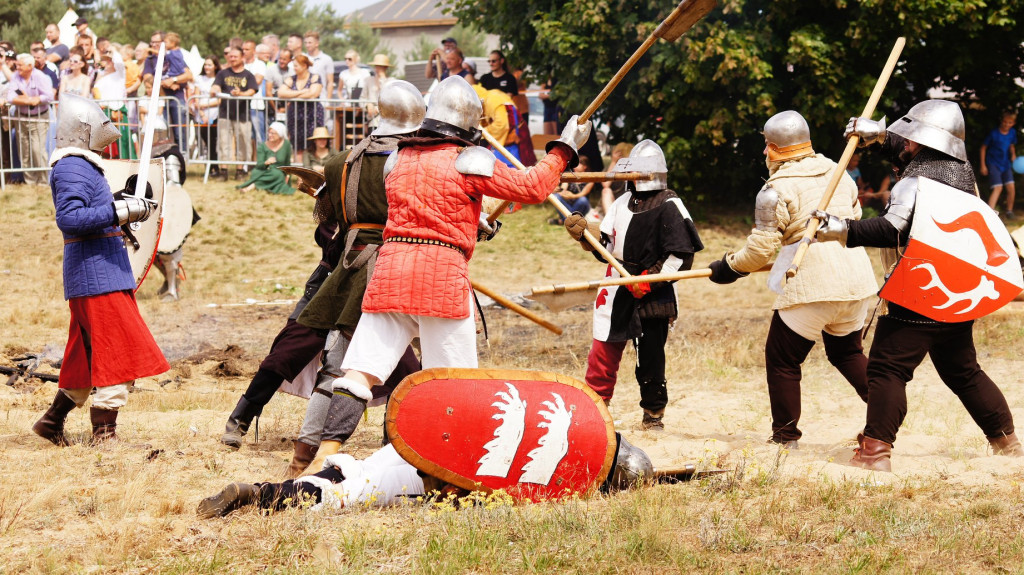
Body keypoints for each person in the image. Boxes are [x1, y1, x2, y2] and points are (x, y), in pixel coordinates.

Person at [303, 76, 590, 472]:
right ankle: (451, 464)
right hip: (440, 279)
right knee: (454, 383)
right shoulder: (468, 159)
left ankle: (326, 453)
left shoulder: (397, 158)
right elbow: (534, 186)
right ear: (468, 126)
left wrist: (472, 222)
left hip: (390, 273)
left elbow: (422, 208)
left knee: (358, 373)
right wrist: (565, 148)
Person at [814, 99, 1022, 471]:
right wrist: (877, 134)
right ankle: (1007, 443)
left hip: (920, 293)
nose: (904, 143)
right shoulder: (962, 175)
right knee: (964, 371)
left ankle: (875, 452)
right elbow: (908, 150)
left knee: (886, 369)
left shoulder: (917, 183)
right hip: (955, 297)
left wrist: (839, 228)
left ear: (923, 142)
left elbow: (890, 228)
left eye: (909, 138)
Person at [707, 110, 878, 447]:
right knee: (846, 353)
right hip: (856, 279)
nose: (764, 153)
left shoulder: (775, 189)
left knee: (783, 358)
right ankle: (888, 412)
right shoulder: (839, 173)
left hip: (813, 279)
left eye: (765, 146)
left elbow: (760, 251)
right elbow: (854, 220)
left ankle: (785, 438)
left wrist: (729, 267)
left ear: (774, 148)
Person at [286, 81, 427, 476]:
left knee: (345, 364)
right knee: (387, 371)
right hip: (394, 266)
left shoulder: (338, 162)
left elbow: (327, 224)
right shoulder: (412, 162)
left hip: (349, 265)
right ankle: (390, 453)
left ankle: (306, 454)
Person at [33, 93, 169, 445]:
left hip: (98, 273)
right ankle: (104, 434)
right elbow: (71, 219)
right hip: (96, 277)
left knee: (87, 355)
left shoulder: (80, 165)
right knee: (117, 351)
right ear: (83, 130)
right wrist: (119, 211)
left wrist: (122, 210)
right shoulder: (72, 166)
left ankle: (52, 421)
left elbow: (90, 214)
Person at [563, 140, 703, 430]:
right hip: (617, 284)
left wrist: (648, 280)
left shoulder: (670, 204)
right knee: (602, 351)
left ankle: (653, 415)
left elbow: (680, 254)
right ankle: (596, 410)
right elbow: (605, 243)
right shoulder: (621, 202)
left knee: (650, 356)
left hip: (655, 287)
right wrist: (584, 235)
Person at [198, 431, 652, 518]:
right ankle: (263, 496)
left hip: (423, 442)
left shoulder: (558, 431)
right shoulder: (560, 473)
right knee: (349, 496)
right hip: (435, 472)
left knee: (351, 475)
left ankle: (256, 491)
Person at [5, 53, 54, 185]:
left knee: (37, 150)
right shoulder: (16, 76)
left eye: (20, 65)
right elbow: (10, 97)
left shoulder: (40, 77)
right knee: (24, 151)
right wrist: (30, 100)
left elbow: (49, 96)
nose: (17, 67)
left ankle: (44, 182)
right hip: (21, 118)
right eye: (17, 64)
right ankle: (30, 182)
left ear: (30, 66)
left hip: (39, 119)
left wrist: (37, 99)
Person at [212, 47, 257, 180]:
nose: (232, 59)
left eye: (235, 56)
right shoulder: (222, 73)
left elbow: (252, 91)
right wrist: (214, 89)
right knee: (223, 142)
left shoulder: (248, 75)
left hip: (242, 115)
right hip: (225, 114)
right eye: (230, 56)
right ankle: (223, 171)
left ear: (242, 57)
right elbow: (216, 86)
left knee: (243, 143)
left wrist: (240, 94)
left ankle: (240, 171)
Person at [142, 31, 192, 147]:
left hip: (177, 98)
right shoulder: (150, 60)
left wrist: (173, 80)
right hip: (159, 100)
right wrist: (165, 83)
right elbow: (148, 79)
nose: (154, 45)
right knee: (163, 132)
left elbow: (189, 75)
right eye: (152, 42)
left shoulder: (173, 55)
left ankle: (182, 156)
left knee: (180, 131)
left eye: (157, 42)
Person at [279, 54, 323, 165]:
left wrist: (291, 95)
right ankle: (300, 173)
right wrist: (302, 92)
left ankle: (312, 171)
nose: (294, 68)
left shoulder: (315, 77)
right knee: (297, 145)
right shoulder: (291, 79)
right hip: (294, 116)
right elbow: (281, 93)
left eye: (296, 65)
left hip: (312, 115)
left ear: (304, 65)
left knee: (313, 144)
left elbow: (313, 94)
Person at [92, 48, 133, 160]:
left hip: (117, 111)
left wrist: (113, 50)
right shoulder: (100, 77)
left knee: (122, 142)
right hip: (104, 112)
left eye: (109, 60)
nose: (107, 62)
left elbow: (119, 63)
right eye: (105, 60)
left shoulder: (119, 75)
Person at [237, 121, 293, 195]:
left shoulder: (286, 144)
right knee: (257, 173)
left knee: (277, 175)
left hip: (278, 172)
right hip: (263, 171)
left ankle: (252, 186)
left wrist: (288, 175)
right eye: (269, 133)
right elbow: (259, 165)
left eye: (273, 133)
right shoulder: (262, 146)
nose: (270, 135)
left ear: (280, 134)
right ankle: (264, 185)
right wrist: (266, 162)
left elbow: (287, 163)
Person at [980, 110, 1017, 219]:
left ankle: (1009, 211)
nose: (1007, 124)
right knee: (998, 188)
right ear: (1002, 121)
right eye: (1005, 122)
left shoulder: (1012, 133)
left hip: (1006, 164)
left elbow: (1011, 145)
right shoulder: (994, 133)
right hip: (993, 163)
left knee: (1011, 187)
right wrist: (983, 165)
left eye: (1010, 123)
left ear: (1013, 123)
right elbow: (983, 148)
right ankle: (989, 213)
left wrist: (1013, 154)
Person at [473, 83, 521, 166]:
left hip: (509, 133)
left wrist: (481, 133)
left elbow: (501, 124)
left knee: (507, 164)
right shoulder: (488, 97)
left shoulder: (491, 99)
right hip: (507, 132)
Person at [190, 56, 220, 176]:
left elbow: (219, 100)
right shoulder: (199, 79)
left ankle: (215, 167)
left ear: (215, 66)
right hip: (201, 115)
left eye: (210, 65)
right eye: (206, 65)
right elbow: (196, 97)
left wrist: (206, 105)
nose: (207, 67)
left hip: (215, 113)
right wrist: (202, 112)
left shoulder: (218, 79)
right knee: (205, 141)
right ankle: (209, 166)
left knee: (214, 142)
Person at [550, 154, 593, 223]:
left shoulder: (590, 178)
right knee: (556, 197)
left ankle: (563, 221)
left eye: (578, 164)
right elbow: (563, 188)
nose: (575, 166)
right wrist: (559, 191)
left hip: (582, 205)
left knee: (583, 200)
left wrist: (572, 196)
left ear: (585, 166)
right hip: (569, 204)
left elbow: (583, 194)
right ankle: (571, 221)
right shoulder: (569, 175)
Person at [242, 40, 267, 144]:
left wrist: (241, 82)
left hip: (255, 105)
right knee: (246, 137)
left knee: (259, 136)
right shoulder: (240, 64)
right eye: (243, 49)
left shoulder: (260, 64)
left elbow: (257, 81)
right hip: (241, 106)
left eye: (247, 49)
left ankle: (261, 159)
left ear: (254, 51)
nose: (244, 51)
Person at [600, 142, 634, 215]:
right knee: (606, 191)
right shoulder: (610, 169)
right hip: (612, 205)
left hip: (628, 206)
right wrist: (614, 162)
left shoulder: (633, 170)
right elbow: (606, 185)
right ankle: (609, 222)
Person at [303, 31, 334, 109]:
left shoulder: (327, 59)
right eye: (306, 43)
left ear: (317, 43)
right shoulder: (302, 58)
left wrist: (328, 101)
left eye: (310, 42)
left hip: (321, 100)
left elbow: (330, 82)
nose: (307, 45)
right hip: (304, 99)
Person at [363, 53, 391, 127]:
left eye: (381, 66)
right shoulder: (368, 80)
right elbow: (362, 98)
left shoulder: (391, 81)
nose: (378, 68)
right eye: (376, 66)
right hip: (373, 121)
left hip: (387, 121)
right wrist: (367, 105)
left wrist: (382, 80)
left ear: (385, 68)